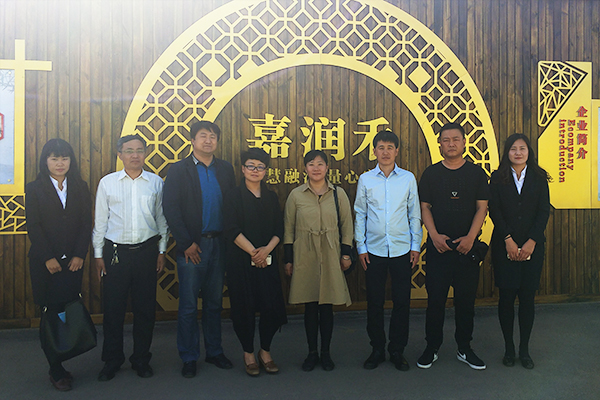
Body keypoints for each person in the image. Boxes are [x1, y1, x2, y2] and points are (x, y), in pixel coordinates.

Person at [162, 121, 236, 378]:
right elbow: (171, 208)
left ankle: (214, 351)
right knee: (189, 306)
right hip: (192, 246)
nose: (208, 140)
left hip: (219, 244)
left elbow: (232, 206)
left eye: (213, 136)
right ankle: (189, 356)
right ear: (192, 140)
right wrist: (185, 243)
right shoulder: (178, 170)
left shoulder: (225, 169)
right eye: (203, 136)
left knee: (214, 303)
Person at [93, 134, 169, 381]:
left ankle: (141, 359)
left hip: (147, 252)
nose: (135, 155)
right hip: (115, 254)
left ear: (145, 153)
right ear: (120, 154)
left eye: (139, 150)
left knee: (145, 310)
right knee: (113, 310)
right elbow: (100, 221)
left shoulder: (155, 182)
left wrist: (161, 250)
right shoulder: (108, 183)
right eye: (129, 150)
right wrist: (98, 254)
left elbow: (162, 220)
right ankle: (112, 360)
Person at [417, 122, 490, 370]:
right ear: (439, 144)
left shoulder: (476, 173)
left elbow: (482, 208)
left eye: (455, 139)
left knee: (465, 302)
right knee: (435, 301)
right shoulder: (431, 174)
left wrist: (470, 238)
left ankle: (464, 348)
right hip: (438, 249)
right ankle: (432, 347)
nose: (451, 144)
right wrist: (434, 235)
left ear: (464, 142)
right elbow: (424, 207)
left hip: (467, 249)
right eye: (446, 140)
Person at [26, 139, 92, 391]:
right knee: (50, 314)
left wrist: (79, 254)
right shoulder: (35, 188)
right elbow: (34, 226)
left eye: (64, 158)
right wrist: (47, 257)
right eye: (54, 158)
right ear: (45, 161)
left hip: (73, 262)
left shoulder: (80, 186)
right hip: (46, 264)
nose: (60, 163)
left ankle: (65, 357)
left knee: (69, 310)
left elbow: (86, 223)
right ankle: (55, 369)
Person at [354, 130, 422, 371]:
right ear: (374, 151)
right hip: (373, 251)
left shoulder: (407, 178)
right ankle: (377, 349)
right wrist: (361, 247)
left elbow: (414, 214)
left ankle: (397, 350)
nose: (385, 152)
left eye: (390, 147)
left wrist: (415, 246)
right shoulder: (366, 179)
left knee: (402, 302)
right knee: (374, 302)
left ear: (397, 151)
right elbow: (360, 214)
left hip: (402, 250)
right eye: (381, 147)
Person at [283, 150, 353, 372]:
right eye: (311, 164)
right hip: (305, 253)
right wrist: (288, 259)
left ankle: (326, 352)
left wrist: (346, 253)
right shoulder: (296, 195)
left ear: (327, 168)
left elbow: (347, 225)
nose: (316, 168)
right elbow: (288, 229)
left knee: (327, 306)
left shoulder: (338, 194)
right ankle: (312, 352)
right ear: (305, 168)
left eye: (320, 164)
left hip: (331, 252)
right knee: (310, 305)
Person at [223, 148, 287, 376]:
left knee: (271, 307)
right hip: (241, 261)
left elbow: (279, 229)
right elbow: (230, 228)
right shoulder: (232, 196)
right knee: (244, 308)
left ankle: (265, 351)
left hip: (267, 260)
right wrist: (253, 252)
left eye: (260, 167)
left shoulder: (271, 197)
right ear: (243, 169)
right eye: (251, 166)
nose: (255, 170)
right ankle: (248, 353)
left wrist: (266, 251)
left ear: (265, 171)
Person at [489, 133, 551, 369]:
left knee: (527, 299)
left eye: (522, 148)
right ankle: (509, 348)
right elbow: (495, 210)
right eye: (513, 148)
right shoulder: (497, 178)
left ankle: (524, 350)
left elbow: (543, 211)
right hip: (504, 246)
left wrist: (532, 241)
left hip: (532, 247)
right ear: (507, 152)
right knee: (506, 298)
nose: (517, 153)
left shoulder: (539, 177)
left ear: (528, 152)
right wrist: (508, 239)